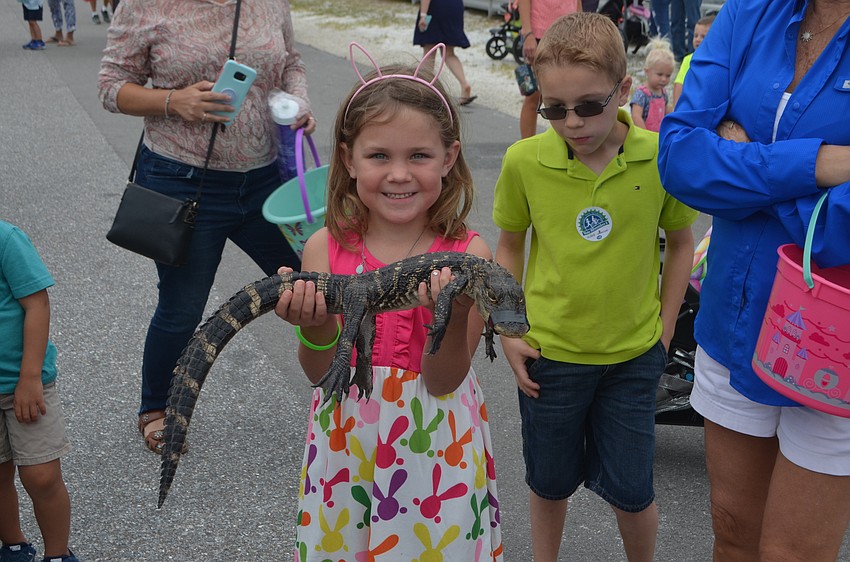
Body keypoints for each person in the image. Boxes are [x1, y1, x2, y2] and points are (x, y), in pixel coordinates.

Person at [274, 43, 502, 560]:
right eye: (379, 155)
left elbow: (444, 381)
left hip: (435, 449)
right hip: (345, 446)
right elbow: (319, 371)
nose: (399, 174)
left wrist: (458, 308)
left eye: (418, 155)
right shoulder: (323, 248)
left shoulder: (469, 255)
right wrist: (313, 328)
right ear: (349, 159)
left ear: (449, 157)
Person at [493, 12, 698, 562]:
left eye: (588, 106)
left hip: (634, 358)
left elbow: (681, 244)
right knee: (549, 482)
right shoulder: (524, 161)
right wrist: (509, 330)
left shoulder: (660, 156)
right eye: (553, 109)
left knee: (634, 492)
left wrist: (665, 327)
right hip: (550, 355)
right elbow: (509, 246)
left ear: (624, 89)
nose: (571, 123)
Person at [658, 0, 850, 558]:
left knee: (792, 553)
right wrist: (816, 166)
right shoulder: (749, 12)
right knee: (733, 534)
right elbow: (680, 158)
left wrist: (746, 161)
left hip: (832, 349)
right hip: (733, 326)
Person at [98, 0, 312, 454]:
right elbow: (112, 88)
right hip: (183, 179)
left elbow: (291, 63)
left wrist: (298, 103)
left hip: (267, 180)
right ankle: (156, 407)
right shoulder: (145, 5)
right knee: (181, 308)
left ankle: (348, 389)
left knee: (314, 282)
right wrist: (175, 101)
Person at [0, 221, 79, 562]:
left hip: (25, 383)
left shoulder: (6, 239)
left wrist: (30, 377)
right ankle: (13, 545)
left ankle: (58, 554)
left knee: (42, 476)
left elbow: (37, 304)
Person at [517, 0, 581, 138]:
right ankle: (528, 149)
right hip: (540, 35)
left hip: (570, 34)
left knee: (569, 95)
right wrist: (528, 34)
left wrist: (581, 30)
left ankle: (567, 142)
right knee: (534, 96)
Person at [414, 0, 476, 105]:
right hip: (454, 7)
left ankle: (423, 88)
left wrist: (423, 15)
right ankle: (464, 83)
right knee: (449, 53)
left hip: (435, 9)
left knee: (429, 52)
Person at [630, 37, 675, 132]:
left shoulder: (663, 93)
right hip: (643, 137)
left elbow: (667, 111)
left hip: (658, 135)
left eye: (668, 76)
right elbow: (636, 116)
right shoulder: (642, 94)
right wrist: (645, 135)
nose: (663, 79)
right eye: (659, 74)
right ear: (647, 71)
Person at [671, 14, 713, 108]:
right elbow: (679, 85)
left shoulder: (717, 61)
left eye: (703, 36)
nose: (698, 39)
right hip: (689, 106)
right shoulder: (688, 59)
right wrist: (676, 108)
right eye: (695, 35)